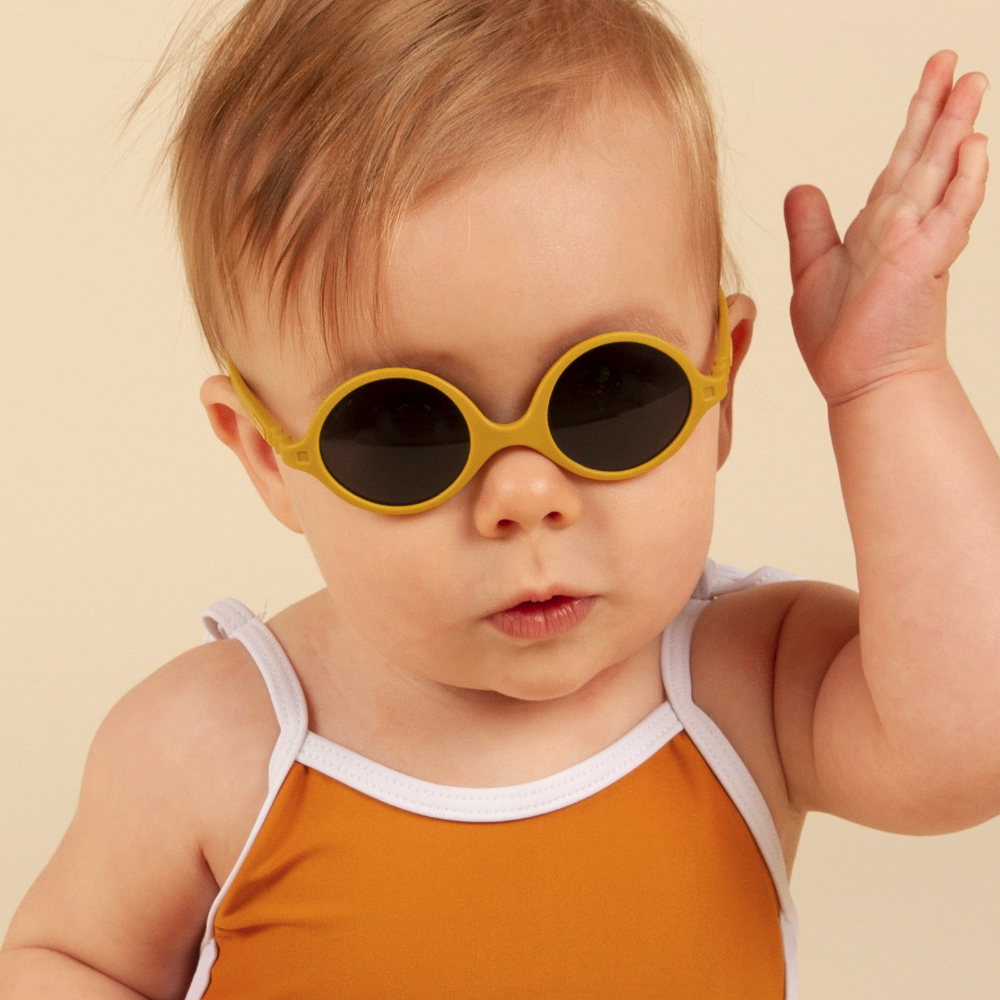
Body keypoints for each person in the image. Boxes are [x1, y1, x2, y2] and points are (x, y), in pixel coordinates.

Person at [0, 0, 994, 996]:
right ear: (267, 455)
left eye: (607, 393)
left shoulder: (750, 687)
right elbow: (67, 962)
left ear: (719, 389)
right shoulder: (211, 746)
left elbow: (968, 740)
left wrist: (889, 381)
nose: (523, 496)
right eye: (407, 430)